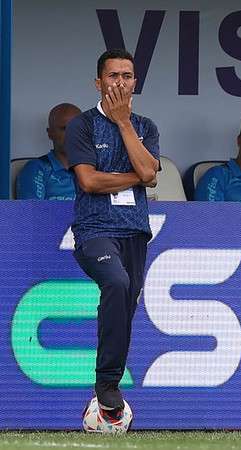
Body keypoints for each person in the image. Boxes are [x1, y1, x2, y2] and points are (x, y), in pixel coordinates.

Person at [65, 48, 160, 413]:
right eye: (113, 76)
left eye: (127, 76)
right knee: (116, 282)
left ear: (135, 82)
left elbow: (150, 173)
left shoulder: (146, 127)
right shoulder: (82, 124)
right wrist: (139, 176)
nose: (120, 83)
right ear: (98, 82)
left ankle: (110, 386)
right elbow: (88, 181)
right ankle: (106, 382)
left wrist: (123, 123)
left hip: (134, 230)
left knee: (125, 305)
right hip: (94, 229)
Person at [15, 103, 81, 200]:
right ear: (50, 133)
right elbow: (30, 212)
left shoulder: (94, 169)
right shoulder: (36, 169)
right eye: (64, 128)